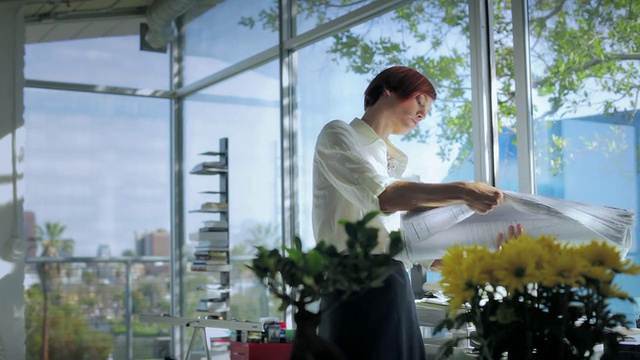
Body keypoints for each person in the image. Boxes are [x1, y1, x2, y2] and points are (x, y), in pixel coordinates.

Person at [312, 66, 507, 360]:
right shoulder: (339, 134)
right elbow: (383, 196)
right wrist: (464, 190)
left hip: (395, 282)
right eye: (419, 101)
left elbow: (423, 247)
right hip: (351, 282)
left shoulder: (398, 166)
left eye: (427, 110)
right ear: (387, 89)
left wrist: (489, 253)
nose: (423, 114)